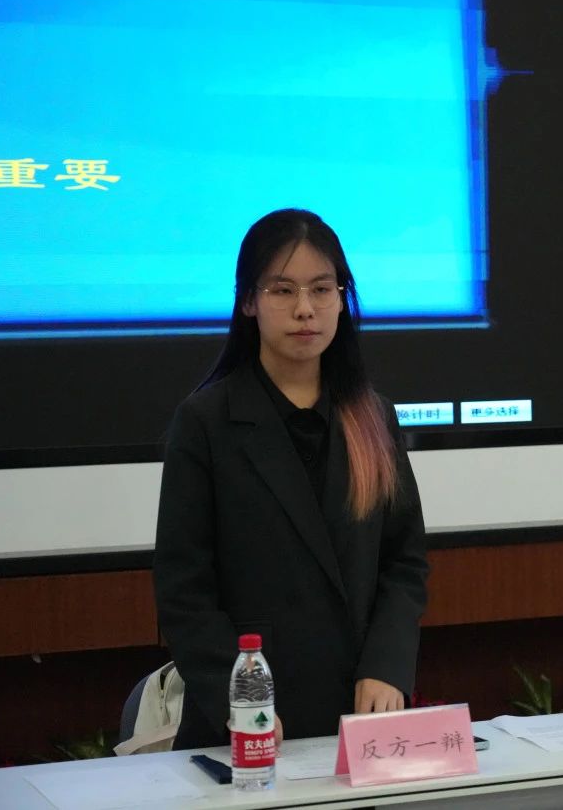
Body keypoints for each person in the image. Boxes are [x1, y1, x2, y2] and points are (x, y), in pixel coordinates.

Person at [154, 208, 429, 750]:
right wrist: (240, 696)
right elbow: (184, 590)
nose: (305, 309)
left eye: (322, 289)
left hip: (357, 717)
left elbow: (404, 561)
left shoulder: (372, 417)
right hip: (248, 724)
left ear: (342, 300)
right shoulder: (206, 421)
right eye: (282, 290)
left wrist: (388, 665)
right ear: (248, 301)